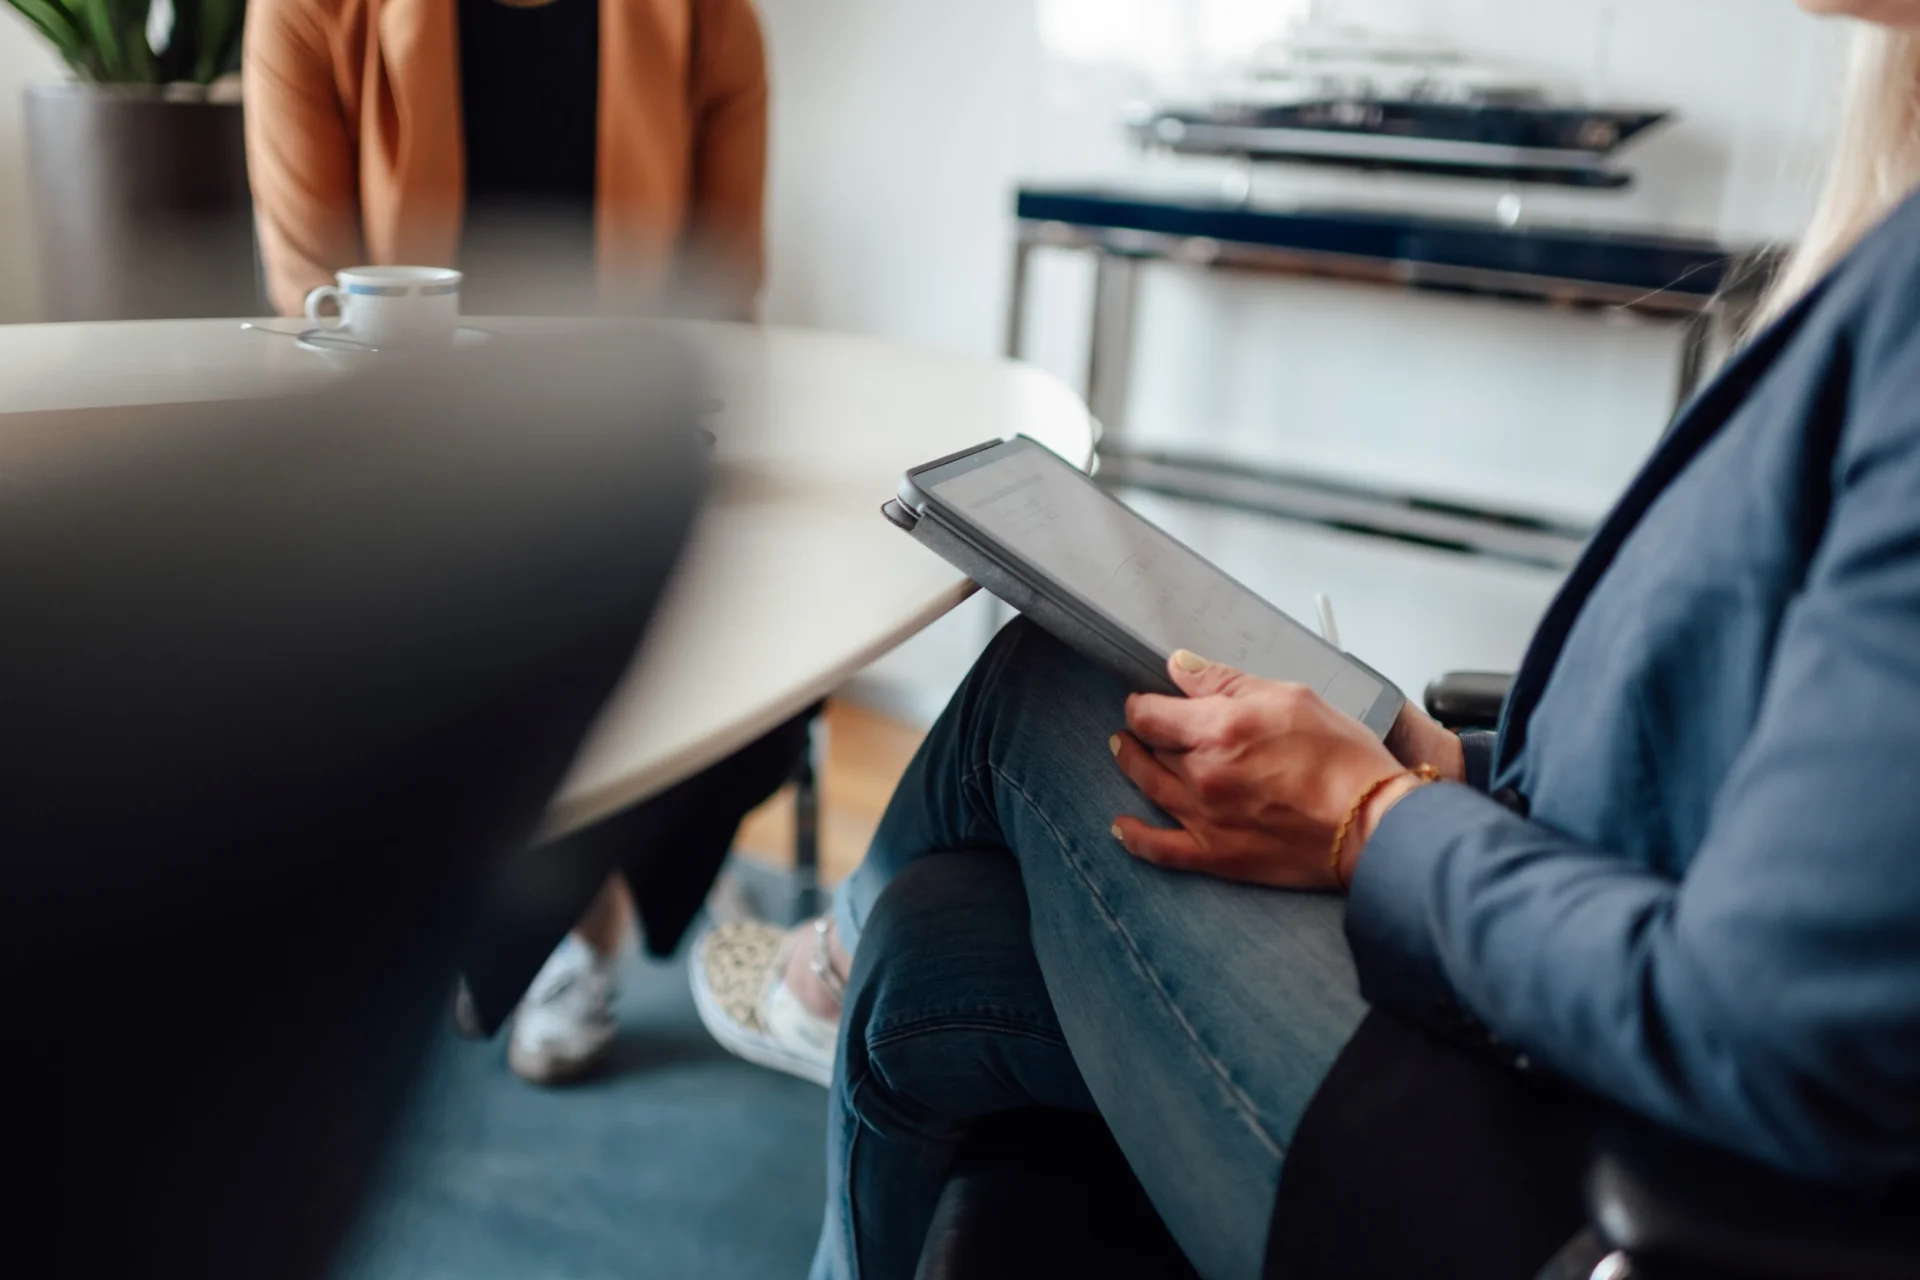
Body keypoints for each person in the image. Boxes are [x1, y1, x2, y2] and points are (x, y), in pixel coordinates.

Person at [692, 5, 1920, 1276]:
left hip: (1591, 1179)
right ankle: (840, 968)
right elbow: (1740, 773)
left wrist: (1377, 817)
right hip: (1567, 1023)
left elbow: (1775, 1037)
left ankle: (814, 971)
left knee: (1051, 675)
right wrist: (1453, 772)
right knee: (932, 940)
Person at [245, 0, 778, 1085]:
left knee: (745, 597)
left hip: (632, 448)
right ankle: (522, 906)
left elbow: (722, 297)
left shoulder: (708, 19)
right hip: (392, 452)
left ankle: (563, 911)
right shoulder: (306, 14)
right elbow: (307, 299)